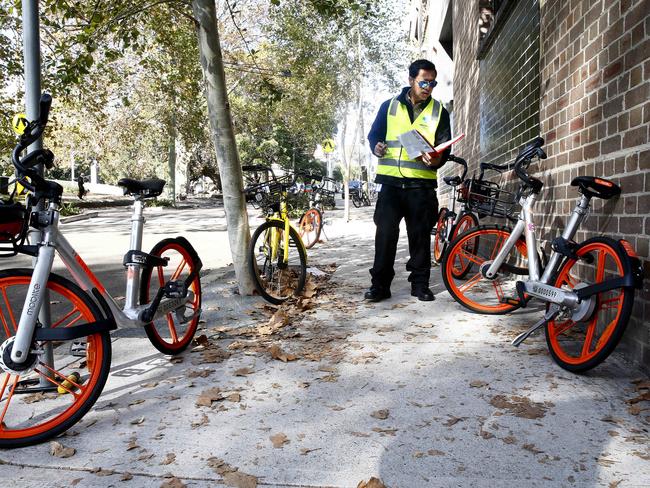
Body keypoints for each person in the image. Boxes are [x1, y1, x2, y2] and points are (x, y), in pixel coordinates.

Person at [365, 59, 452, 302]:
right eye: (424, 81)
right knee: (385, 236)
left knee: (420, 237)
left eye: (432, 83)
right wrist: (377, 147)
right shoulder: (389, 106)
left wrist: (435, 160)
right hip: (391, 185)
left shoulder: (439, 111)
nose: (428, 87)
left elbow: (444, 148)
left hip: (421, 186)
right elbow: (374, 136)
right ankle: (380, 286)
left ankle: (420, 285)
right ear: (410, 80)